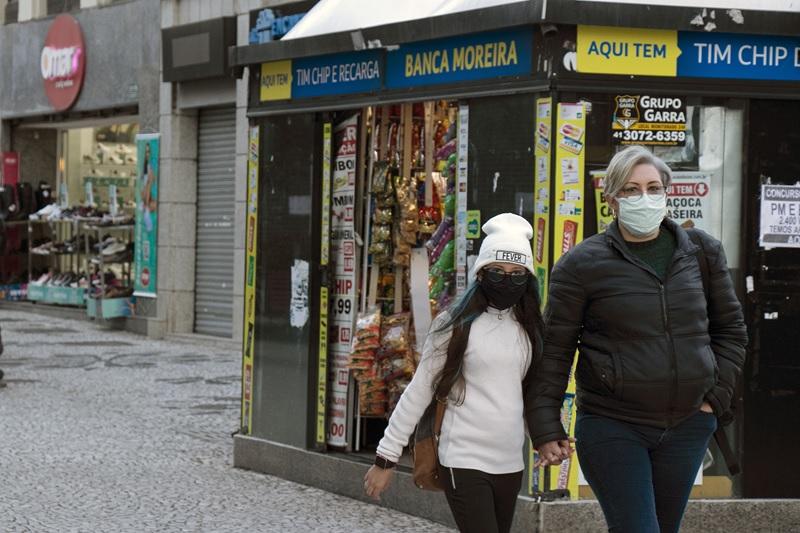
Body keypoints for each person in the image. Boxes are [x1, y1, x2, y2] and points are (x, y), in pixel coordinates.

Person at [528, 145, 748, 533]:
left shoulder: (702, 252)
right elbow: (554, 351)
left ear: (666, 192)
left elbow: (730, 331)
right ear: (612, 199)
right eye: (631, 189)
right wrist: (546, 427)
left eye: (653, 187)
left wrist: (715, 398)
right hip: (613, 425)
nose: (644, 197)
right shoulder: (581, 265)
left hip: (687, 425)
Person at [363, 213, 547, 533]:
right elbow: (419, 389)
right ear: (481, 273)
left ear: (528, 279)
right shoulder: (454, 325)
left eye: (517, 274)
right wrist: (385, 458)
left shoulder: (531, 329)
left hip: (510, 462)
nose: (507, 281)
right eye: (497, 272)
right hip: (463, 458)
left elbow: (529, 394)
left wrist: (546, 438)